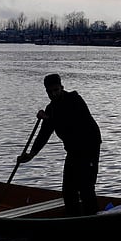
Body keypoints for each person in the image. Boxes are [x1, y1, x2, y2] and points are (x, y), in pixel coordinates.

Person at [17, 73, 102, 216]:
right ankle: (73, 218)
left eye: (56, 90)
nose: (53, 94)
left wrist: (48, 118)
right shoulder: (50, 108)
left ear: (62, 88)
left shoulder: (74, 99)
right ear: (46, 91)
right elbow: (44, 134)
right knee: (68, 189)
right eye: (50, 92)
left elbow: (71, 122)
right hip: (73, 151)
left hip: (89, 147)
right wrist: (31, 154)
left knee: (86, 186)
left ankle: (92, 217)